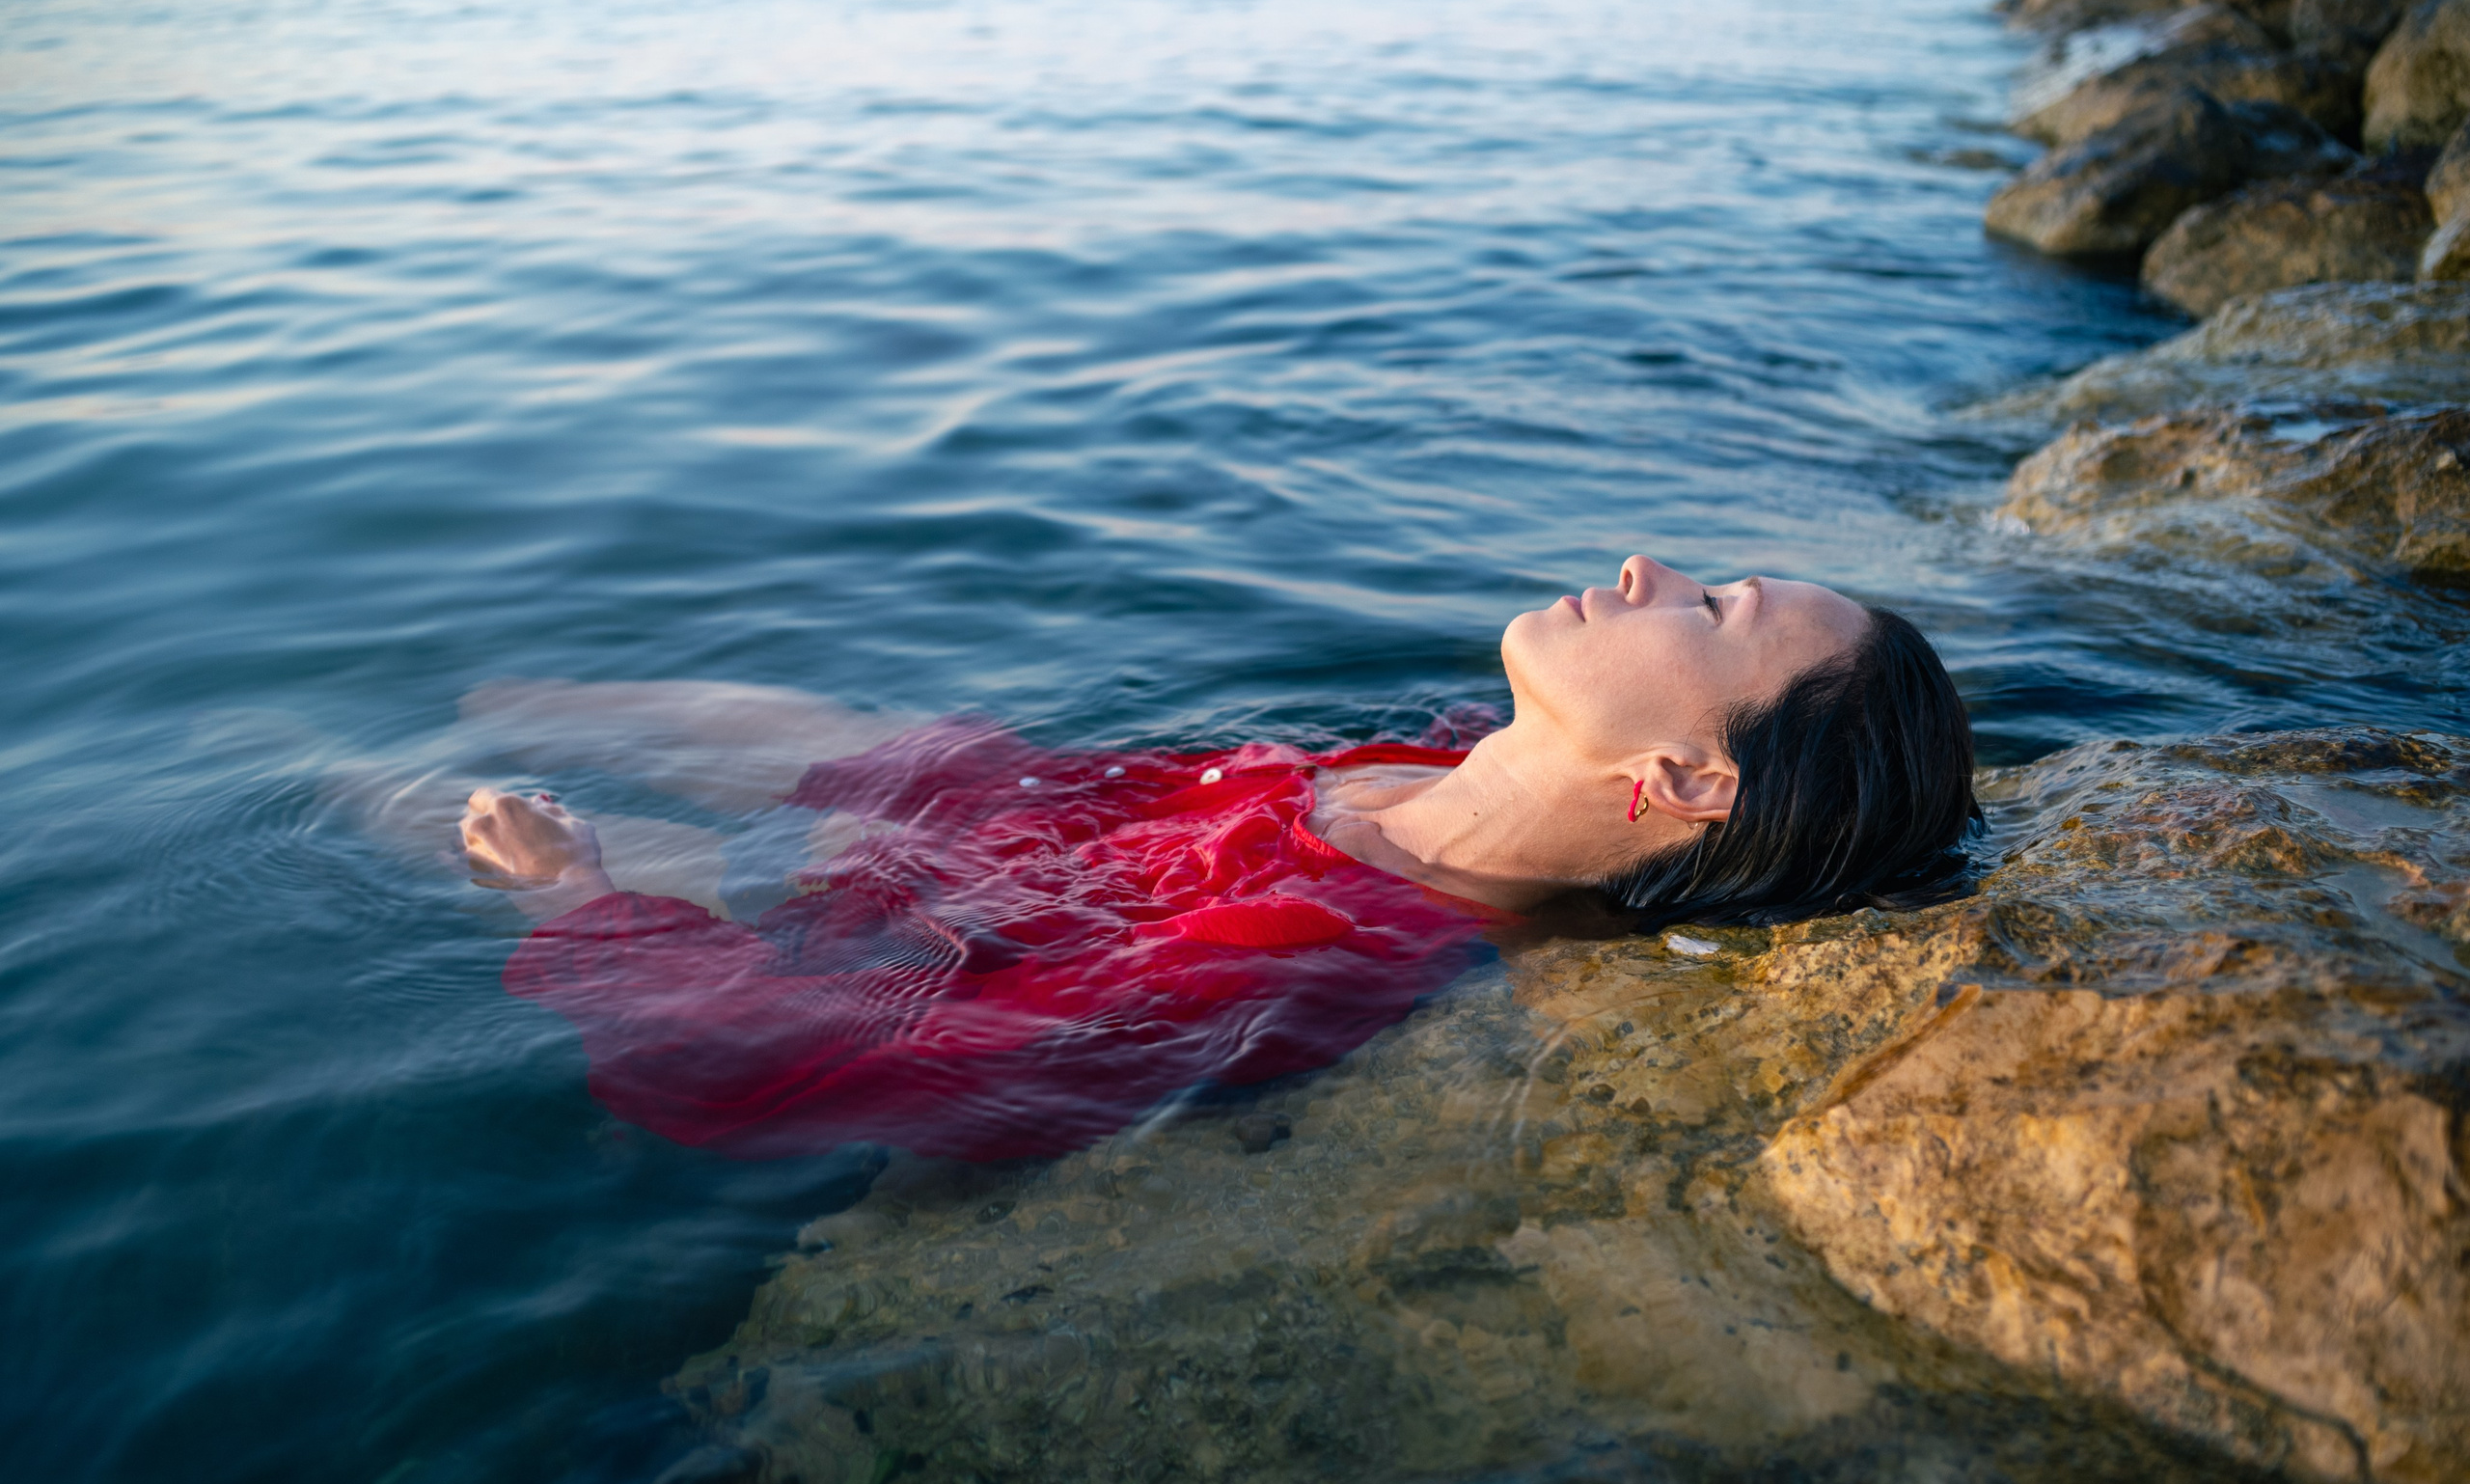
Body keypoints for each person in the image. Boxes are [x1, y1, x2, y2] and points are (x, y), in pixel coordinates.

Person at [450, 556, 1977, 1161]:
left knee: (416, 804)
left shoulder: (1315, 947)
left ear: (1684, 778)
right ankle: (476, 695)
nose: (1645, 569)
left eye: (1709, 609)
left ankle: (410, 779)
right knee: (515, 702)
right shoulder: (1439, 747)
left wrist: (587, 912)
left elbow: (797, 1069)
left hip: (902, 932)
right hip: (1004, 808)